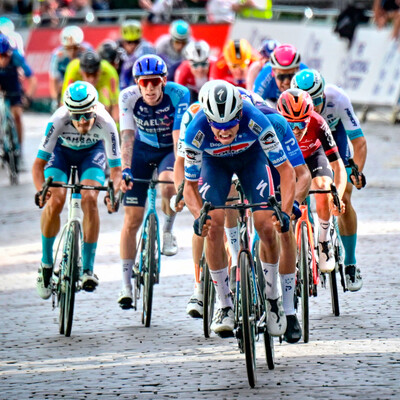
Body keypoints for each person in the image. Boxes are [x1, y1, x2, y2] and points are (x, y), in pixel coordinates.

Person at [182, 80, 296, 336]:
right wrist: (198, 215)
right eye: (217, 126)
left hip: (251, 159)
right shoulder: (196, 130)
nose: (223, 133)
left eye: (230, 125)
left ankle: (273, 299)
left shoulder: (255, 118)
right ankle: (224, 305)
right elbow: (188, 186)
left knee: (267, 225)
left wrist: (285, 212)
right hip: (215, 165)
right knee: (212, 226)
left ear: (239, 114)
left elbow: (287, 171)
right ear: (207, 118)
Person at [32, 81, 122, 299]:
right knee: (55, 200)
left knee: (90, 198)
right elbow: (38, 165)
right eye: (76, 115)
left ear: (94, 110)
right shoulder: (58, 120)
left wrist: (113, 194)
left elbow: (116, 170)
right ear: (68, 112)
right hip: (61, 153)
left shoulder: (106, 123)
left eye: (86, 115)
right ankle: (45, 264)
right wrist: (40, 191)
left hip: (92, 153)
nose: (81, 121)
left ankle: (88, 269)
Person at [118, 54, 190, 308]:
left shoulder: (179, 94)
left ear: (164, 81)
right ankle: (126, 284)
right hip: (142, 150)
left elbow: (178, 137)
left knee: (168, 181)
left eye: (155, 82)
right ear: (137, 82)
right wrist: (125, 169)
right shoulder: (128, 97)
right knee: (132, 220)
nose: (150, 88)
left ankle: (168, 231)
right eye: (144, 82)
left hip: (167, 150)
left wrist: (180, 176)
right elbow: (126, 136)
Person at [291, 69, 367, 291]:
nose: (313, 106)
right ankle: (307, 237)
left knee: (343, 195)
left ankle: (350, 262)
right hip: (306, 141)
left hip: (333, 136)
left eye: (316, 101)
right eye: (307, 102)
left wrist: (355, 174)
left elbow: (359, 143)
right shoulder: (291, 106)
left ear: (323, 95)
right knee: (299, 189)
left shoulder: (338, 99)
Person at [277, 88, 347, 273]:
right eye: (290, 124)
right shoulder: (273, 125)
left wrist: (337, 197)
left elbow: (338, 166)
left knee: (323, 186)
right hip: (287, 162)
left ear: (310, 117)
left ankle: (324, 240)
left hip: (314, 156)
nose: (296, 129)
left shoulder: (318, 122)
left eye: (301, 123)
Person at [62, 50, 120, 123]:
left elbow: (115, 104)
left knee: (104, 107)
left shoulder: (109, 71)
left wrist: (116, 128)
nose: (91, 79)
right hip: (79, 89)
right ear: (81, 72)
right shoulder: (73, 69)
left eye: (94, 74)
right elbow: (64, 102)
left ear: (99, 71)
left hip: (100, 87)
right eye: (88, 75)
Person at [0, 33, 37, 149]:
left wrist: (28, 96)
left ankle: (18, 148)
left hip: (12, 82)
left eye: (6, 55)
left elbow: (32, 78)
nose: (3, 60)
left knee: (17, 115)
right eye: (0, 56)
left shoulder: (16, 56)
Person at [49, 25, 92, 112]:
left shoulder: (87, 50)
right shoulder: (57, 55)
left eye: (76, 48)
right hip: (64, 81)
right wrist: (55, 98)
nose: (72, 52)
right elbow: (53, 79)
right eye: (68, 48)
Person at [118, 20, 156, 90]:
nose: (132, 46)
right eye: (129, 42)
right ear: (123, 41)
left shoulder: (147, 48)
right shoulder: (116, 49)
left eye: (136, 42)